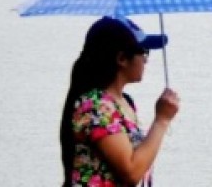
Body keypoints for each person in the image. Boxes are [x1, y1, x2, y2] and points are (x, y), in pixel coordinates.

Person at [60, 16, 179, 187]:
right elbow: (131, 172)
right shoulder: (96, 106)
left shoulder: (124, 103)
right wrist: (162, 120)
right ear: (122, 58)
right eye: (143, 52)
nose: (146, 60)